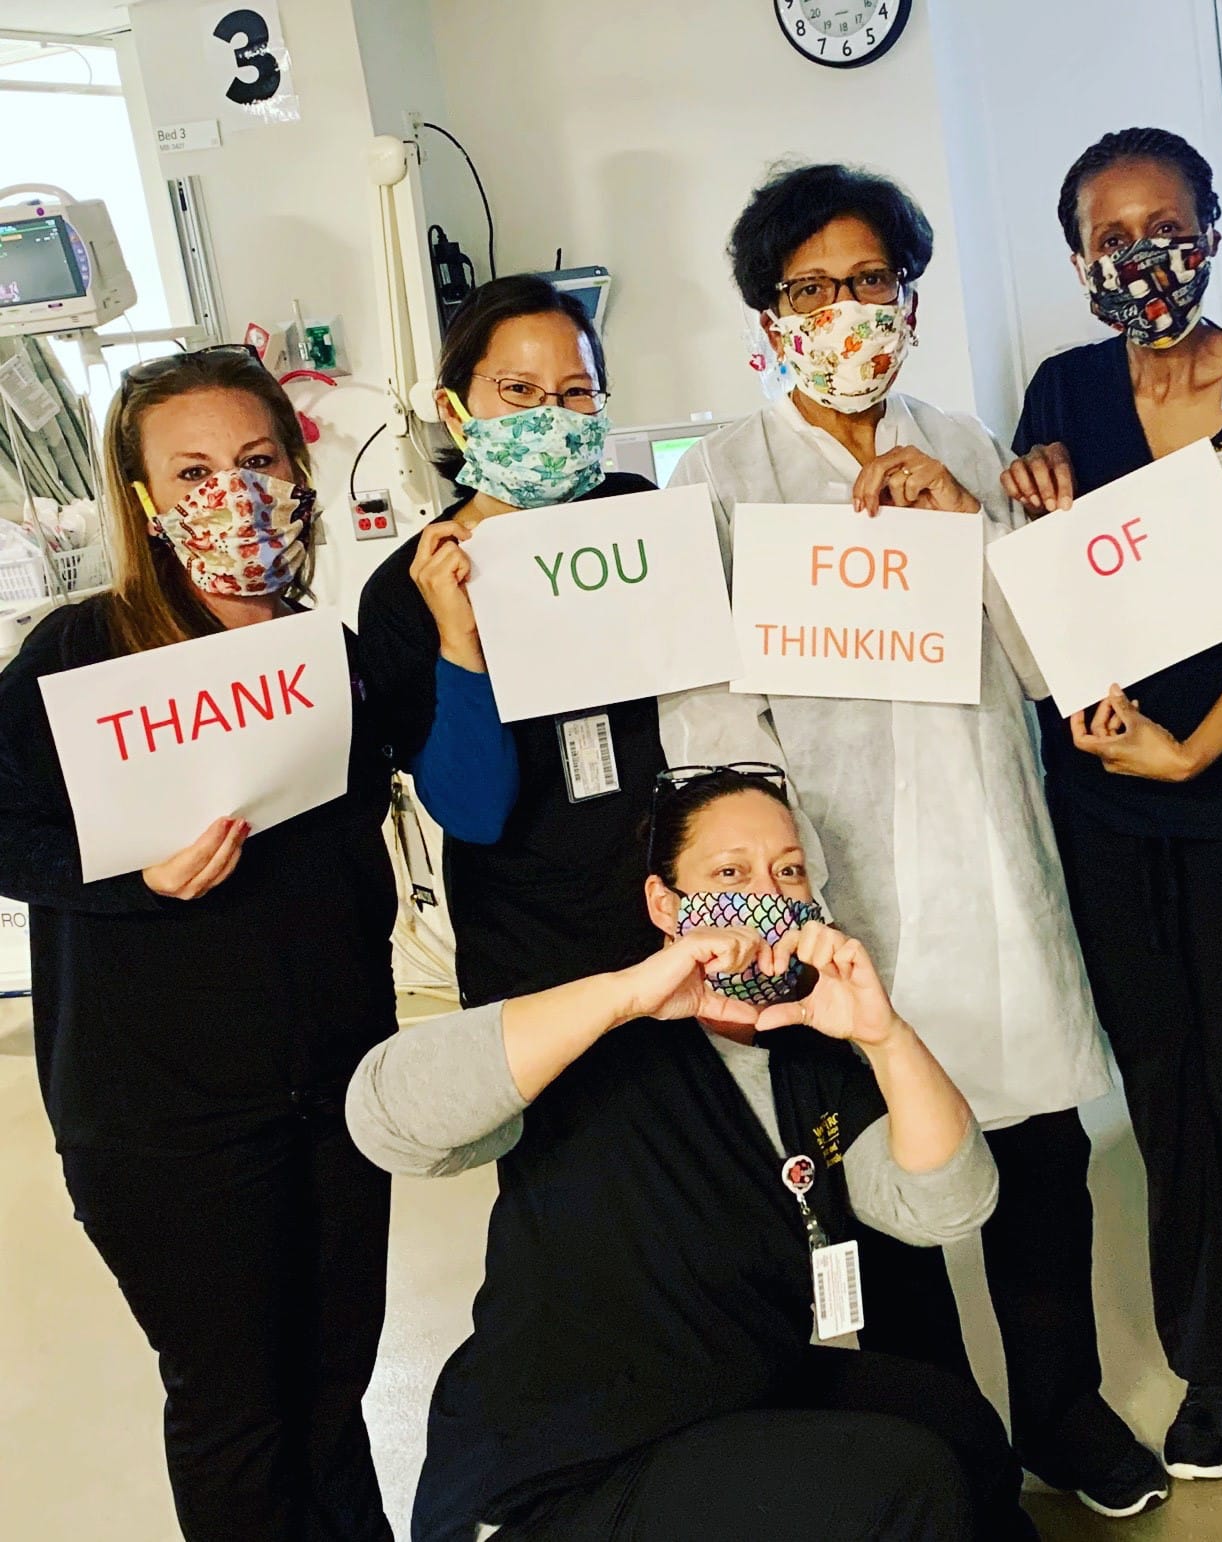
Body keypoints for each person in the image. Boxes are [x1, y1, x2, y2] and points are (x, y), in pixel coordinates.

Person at [659, 161, 1153, 1518]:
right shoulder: (720, 477)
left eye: (869, 280)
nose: (845, 309)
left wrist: (971, 524)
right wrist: (755, 928)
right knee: (886, 1183)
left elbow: (1058, 666)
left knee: (1042, 1165)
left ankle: (1061, 1408)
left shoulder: (970, 443)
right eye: (811, 288)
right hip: (838, 887)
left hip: (988, 862)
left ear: (909, 300)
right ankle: (947, 1440)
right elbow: (709, 723)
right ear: (770, 318)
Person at [347, 765, 1033, 1541]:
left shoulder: (812, 1060)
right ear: (664, 905)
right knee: (905, 1485)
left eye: (788, 871)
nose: (764, 892)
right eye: (730, 872)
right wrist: (625, 997)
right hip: (563, 1459)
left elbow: (947, 1205)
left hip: (729, 1395)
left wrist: (886, 1037)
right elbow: (385, 1118)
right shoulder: (588, 1031)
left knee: (955, 1425)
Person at [1003, 127, 1222, 1496]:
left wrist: (1194, 748)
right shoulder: (1063, 391)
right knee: (1161, 1082)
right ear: (1079, 259)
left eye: (1162, 224)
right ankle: (1209, 1362)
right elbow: (1053, 578)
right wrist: (1027, 493)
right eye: (1108, 235)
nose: (1137, 255)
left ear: (1210, 226)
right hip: (1110, 806)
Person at [0, 346, 398, 1540]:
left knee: (334, 1389)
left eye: (255, 460)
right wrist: (124, 874)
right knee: (235, 1406)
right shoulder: (78, 657)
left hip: (333, 1092)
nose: (232, 493)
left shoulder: (327, 657)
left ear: (296, 468)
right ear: (143, 502)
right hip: (161, 1120)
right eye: (193, 472)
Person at [355, 275, 659, 1008]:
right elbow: (471, 811)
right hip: (532, 947)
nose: (549, 417)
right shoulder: (406, 589)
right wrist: (461, 646)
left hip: (675, 912)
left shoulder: (639, 518)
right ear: (454, 411)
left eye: (576, 392)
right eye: (517, 391)